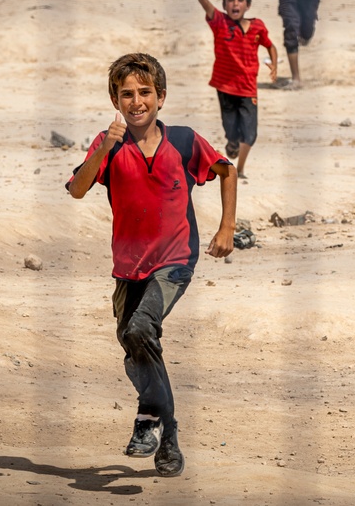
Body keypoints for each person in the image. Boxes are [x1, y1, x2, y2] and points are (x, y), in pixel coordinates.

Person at [66, 53, 236, 476]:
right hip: (128, 266)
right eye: (127, 94)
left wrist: (227, 228)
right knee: (135, 345)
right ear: (114, 99)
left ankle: (148, 422)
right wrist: (105, 145)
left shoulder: (183, 140)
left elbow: (226, 171)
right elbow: (77, 189)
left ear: (161, 96)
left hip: (175, 260)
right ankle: (169, 434)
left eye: (145, 92)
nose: (136, 101)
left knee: (142, 330)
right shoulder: (108, 145)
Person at [184, 0, 278, 179]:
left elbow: (270, 45)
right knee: (231, 132)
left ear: (248, 5)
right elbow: (205, 3)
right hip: (225, 86)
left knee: (250, 133)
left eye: (240, 0)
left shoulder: (257, 26)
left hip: (247, 89)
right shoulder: (219, 22)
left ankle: (241, 168)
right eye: (231, 0)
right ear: (225, 5)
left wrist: (273, 64)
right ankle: (232, 146)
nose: (235, 4)